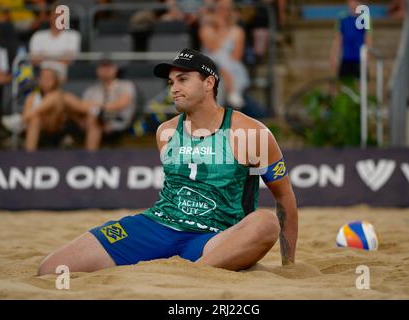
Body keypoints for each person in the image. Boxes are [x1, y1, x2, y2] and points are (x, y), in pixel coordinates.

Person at [36, 48, 298, 275]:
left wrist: (289, 265)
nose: (173, 88)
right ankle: (190, 270)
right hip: (158, 225)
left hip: (214, 237)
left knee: (265, 223)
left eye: (182, 79)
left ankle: (194, 274)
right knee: (51, 268)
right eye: (172, 81)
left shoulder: (252, 133)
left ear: (209, 83)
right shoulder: (166, 132)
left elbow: (284, 197)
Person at [63, 58, 137, 151]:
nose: (105, 70)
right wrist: (93, 110)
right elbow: (83, 109)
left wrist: (97, 108)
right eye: (102, 67)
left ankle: (90, 158)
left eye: (108, 67)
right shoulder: (91, 90)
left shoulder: (125, 85)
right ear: (97, 70)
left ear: (115, 69)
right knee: (66, 98)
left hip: (117, 120)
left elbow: (122, 103)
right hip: (89, 121)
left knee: (93, 115)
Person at [199, 0, 250, 109]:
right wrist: (220, 27)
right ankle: (232, 90)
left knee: (223, 64)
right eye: (220, 8)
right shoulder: (206, 29)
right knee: (218, 61)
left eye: (227, 9)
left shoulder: (238, 31)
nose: (223, 12)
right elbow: (212, 47)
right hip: (210, 64)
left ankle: (225, 101)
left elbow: (237, 55)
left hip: (230, 66)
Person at [21, 60, 67, 151]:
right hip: (37, 131)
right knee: (35, 119)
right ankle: (29, 160)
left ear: (55, 80)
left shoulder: (61, 96)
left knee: (54, 98)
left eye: (50, 77)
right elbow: (25, 118)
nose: (46, 80)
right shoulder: (32, 97)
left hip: (56, 132)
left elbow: (80, 107)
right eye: (43, 77)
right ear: (39, 80)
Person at [329, 0, 373, 80]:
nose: (354, 4)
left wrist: (368, 56)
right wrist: (334, 55)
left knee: (362, 83)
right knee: (342, 83)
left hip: (360, 58)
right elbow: (338, 38)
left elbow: (368, 38)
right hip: (346, 57)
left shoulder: (365, 18)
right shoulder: (341, 17)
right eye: (352, 1)